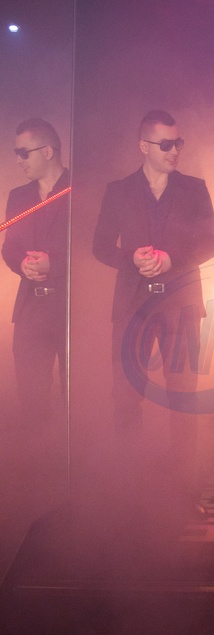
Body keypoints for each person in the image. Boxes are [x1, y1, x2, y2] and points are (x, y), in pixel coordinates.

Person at [93, 110, 214, 499]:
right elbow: (99, 246)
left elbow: (210, 242)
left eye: (178, 142)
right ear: (143, 146)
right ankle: (130, 486)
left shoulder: (195, 188)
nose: (175, 150)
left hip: (181, 306)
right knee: (126, 395)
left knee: (183, 397)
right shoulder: (118, 190)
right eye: (166, 144)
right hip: (132, 306)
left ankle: (185, 485)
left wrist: (171, 259)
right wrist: (130, 258)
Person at [2, 118, 70, 434]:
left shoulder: (82, 188)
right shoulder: (18, 196)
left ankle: (79, 459)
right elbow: (9, 247)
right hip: (30, 310)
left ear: (47, 151)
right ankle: (38, 459)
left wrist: (54, 264)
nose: (18, 160)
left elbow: (92, 248)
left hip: (72, 310)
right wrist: (22, 265)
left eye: (23, 152)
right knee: (32, 402)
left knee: (76, 399)